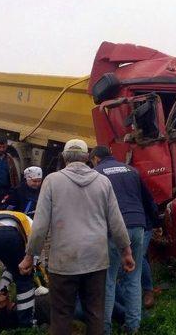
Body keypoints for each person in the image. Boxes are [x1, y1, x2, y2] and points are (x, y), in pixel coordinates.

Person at [19, 139, 135, 335]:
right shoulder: (103, 182)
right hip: (96, 260)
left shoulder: (52, 181)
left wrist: (30, 256)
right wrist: (126, 252)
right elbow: (116, 222)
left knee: (62, 315)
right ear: (88, 158)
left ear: (64, 158)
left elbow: (40, 226)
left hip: (64, 261)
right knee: (95, 313)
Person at [89, 146, 157, 334]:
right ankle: (133, 326)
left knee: (108, 279)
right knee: (134, 278)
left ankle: (105, 328)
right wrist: (152, 223)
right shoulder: (131, 170)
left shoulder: (96, 174)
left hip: (114, 228)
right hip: (138, 226)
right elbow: (148, 200)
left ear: (95, 158)